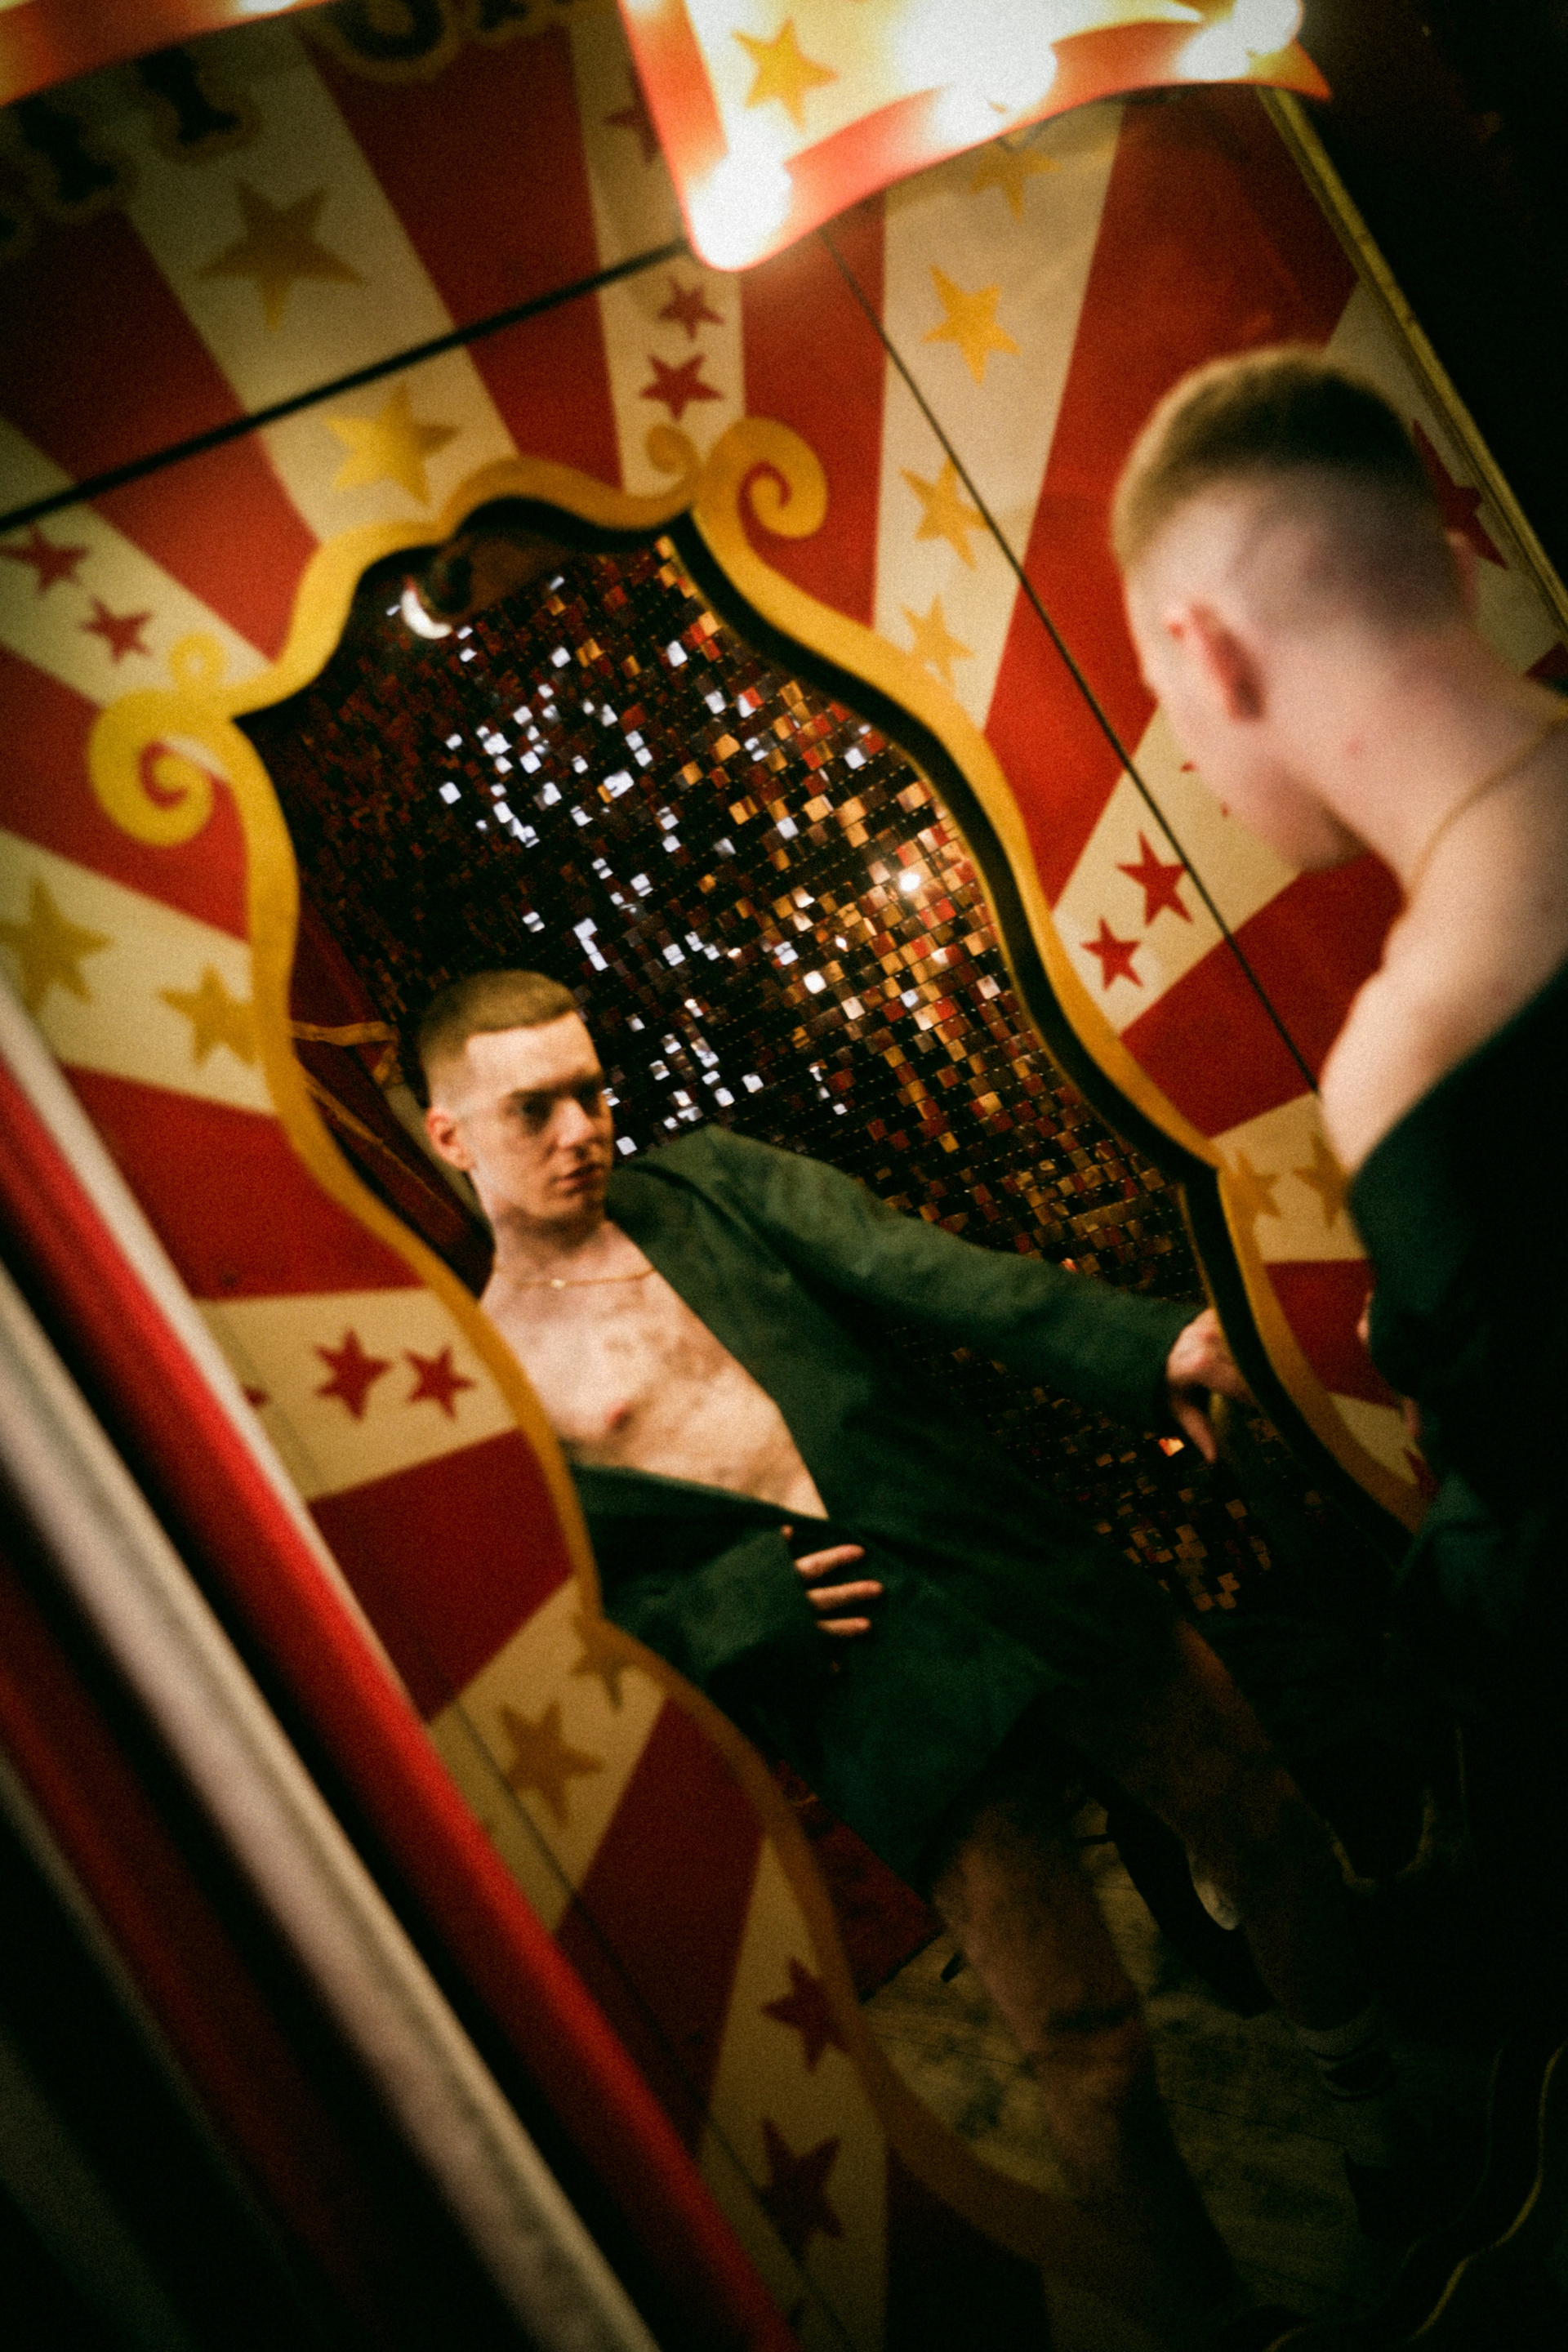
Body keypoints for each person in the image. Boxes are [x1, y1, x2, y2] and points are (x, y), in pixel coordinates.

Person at [418, 970, 1428, 2344]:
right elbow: (576, 1621)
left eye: (591, 1091)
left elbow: (925, 1268)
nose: (583, 1128)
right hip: (877, 1692)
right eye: (533, 1108)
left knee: (1270, 1826)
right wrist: (735, 1614)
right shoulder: (483, 1381)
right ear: (451, 1135)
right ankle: (1218, 2326)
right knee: (1085, 2040)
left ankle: (1388, 2142)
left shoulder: (709, 1183)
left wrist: (1149, 1349)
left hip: (1007, 1561)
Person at [1113, 350, 1568, 1801]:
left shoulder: (1416, 1049)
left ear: (1207, 653)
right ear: (1445, 566)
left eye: (1166, 705)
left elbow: (1533, 1594)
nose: (1194, 758)